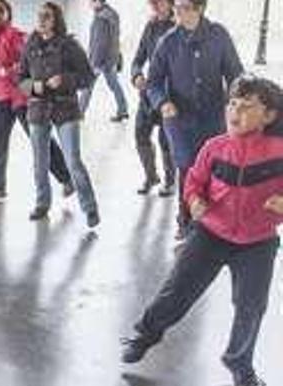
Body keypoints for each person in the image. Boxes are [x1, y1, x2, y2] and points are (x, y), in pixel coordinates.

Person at [121, 76, 283, 386]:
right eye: (232, 104)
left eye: (247, 106)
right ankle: (145, 334)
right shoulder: (215, 147)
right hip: (210, 234)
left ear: (269, 116)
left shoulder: (279, 152)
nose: (236, 111)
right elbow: (194, 181)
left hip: (257, 242)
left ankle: (240, 364)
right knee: (177, 291)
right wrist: (194, 200)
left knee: (251, 306)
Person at [146, 0, 243, 238]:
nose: (177, 11)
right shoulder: (167, 41)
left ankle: (210, 220)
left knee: (213, 169)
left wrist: (240, 106)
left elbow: (235, 75)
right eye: (176, 6)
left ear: (200, 8)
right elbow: (154, 82)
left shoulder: (218, 35)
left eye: (184, 7)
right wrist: (162, 102)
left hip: (213, 118)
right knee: (188, 167)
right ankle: (186, 221)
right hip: (179, 121)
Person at [0, 0, 74, 206]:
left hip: (22, 96)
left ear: (7, 15)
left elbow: (30, 61)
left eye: (1, 10)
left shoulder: (17, 36)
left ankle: (67, 179)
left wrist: (10, 69)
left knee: (39, 141)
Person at [19, 2, 100, 227]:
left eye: (47, 16)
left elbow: (88, 77)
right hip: (38, 110)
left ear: (56, 19)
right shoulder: (29, 45)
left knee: (73, 161)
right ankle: (42, 203)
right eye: (39, 16)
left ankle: (90, 207)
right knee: (40, 162)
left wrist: (64, 79)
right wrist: (34, 87)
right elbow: (20, 80)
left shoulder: (69, 45)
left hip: (66, 109)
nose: (41, 20)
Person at [130, 0, 176, 196]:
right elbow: (138, 59)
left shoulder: (178, 27)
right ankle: (151, 176)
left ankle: (169, 181)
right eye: (152, 2)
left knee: (166, 139)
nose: (155, 5)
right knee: (140, 134)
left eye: (159, 2)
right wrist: (137, 74)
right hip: (148, 94)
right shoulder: (150, 26)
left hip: (170, 95)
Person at [80, 0, 129, 122]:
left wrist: (94, 64)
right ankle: (123, 110)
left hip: (100, 60)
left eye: (92, 1)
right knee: (114, 85)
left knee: (87, 86)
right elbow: (115, 37)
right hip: (111, 58)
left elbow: (99, 43)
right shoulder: (112, 14)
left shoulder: (101, 18)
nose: (89, 4)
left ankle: (79, 113)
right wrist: (117, 55)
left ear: (98, 2)